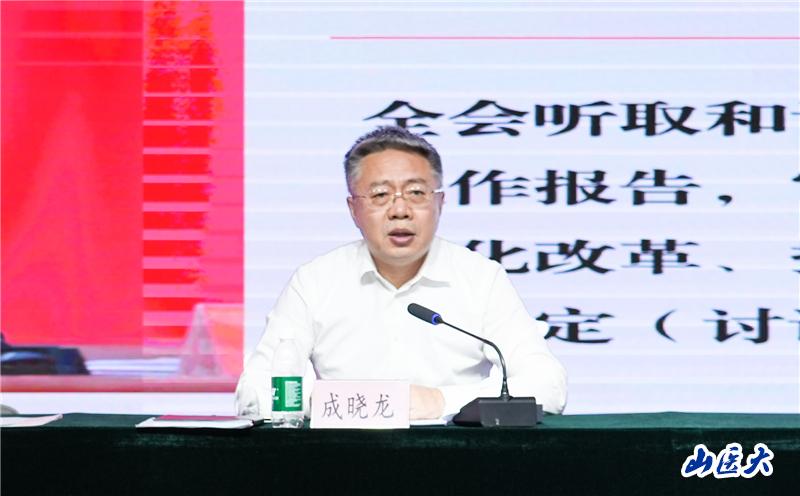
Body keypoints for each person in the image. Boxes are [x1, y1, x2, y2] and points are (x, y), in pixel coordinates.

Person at [236, 126, 567, 420]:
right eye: (380, 195)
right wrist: (342, 403)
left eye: (416, 193)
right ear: (354, 209)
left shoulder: (481, 278)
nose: (399, 210)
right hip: (343, 457)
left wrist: (441, 401)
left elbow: (547, 386)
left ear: (439, 203)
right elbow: (254, 393)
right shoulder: (315, 281)